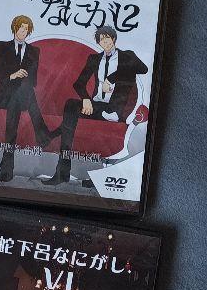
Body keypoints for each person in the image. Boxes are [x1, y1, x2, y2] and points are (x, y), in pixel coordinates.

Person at [44, 25, 148, 186]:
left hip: (113, 109)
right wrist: (86, 99)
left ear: (114, 39)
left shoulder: (127, 56)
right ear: (99, 43)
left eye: (107, 38)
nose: (105, 42)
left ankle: (52, 135)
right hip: (95, 106)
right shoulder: (94, 59)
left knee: (69, 118)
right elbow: (79, 83)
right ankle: (62, 172)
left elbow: (143, 69)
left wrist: (111, 78)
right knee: (71, 104)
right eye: (101, 40)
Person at [0, 14, 52, 181]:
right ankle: (42, 132)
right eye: (21, 28)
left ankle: (7, 166)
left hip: (25, 97)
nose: (23, 32)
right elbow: (0, 76)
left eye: (26, 29)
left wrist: (22, 78)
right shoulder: (1, 46)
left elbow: (33, 80)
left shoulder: (34, 51)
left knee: (23, 90)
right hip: (5, 96)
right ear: (14, 28)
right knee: (15, 97)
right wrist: (14, 75)